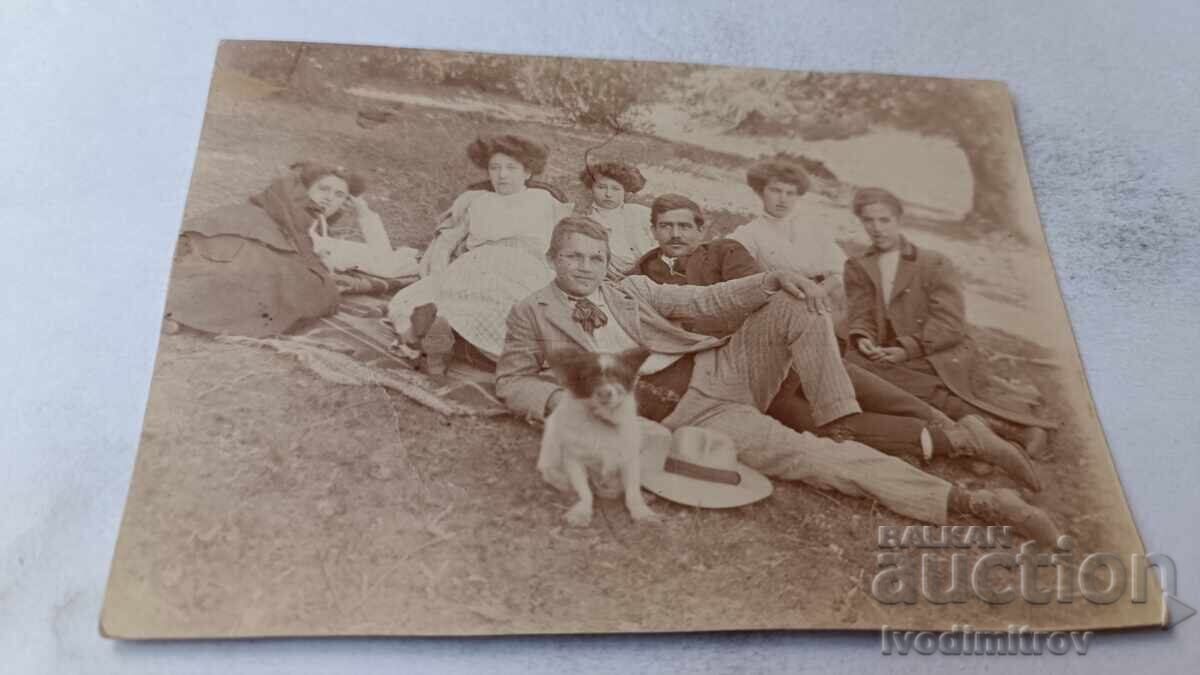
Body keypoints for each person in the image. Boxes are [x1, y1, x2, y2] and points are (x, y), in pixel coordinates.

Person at [496, 216, 1061, 544]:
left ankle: (842, 418)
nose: (586, 268)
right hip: (690, 418)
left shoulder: (630, 289)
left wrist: (773, 279)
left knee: (800, 302)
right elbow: (513, 379)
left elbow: (706, 298)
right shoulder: (531, 311)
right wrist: (557, 402)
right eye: (575, 258)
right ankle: (980, 502)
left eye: (596, 258)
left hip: (724, 368)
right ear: (553, 258)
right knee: (813, 459)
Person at [632, 194, 1037, 484]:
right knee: (829, 426)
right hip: (738, 378)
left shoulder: (725, 252)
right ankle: (963, 441)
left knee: (859, 388)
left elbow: (753, 294)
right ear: (652, 230)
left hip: (772, 345)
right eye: (665, 226)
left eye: (685, 225)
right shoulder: (645, 273)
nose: (675, 234)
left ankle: (975, 431)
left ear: (703, 228)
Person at [843, 187, 1055, 458]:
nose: (877, 228)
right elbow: (861, 314)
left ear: (899, 220)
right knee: (855, 370)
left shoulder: (934, 263)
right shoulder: (858, 266)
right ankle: (983, 432)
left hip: (937, 350)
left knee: (883, 383)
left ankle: (1015, 429)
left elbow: (950, 324)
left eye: (884, 220)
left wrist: (907, 348)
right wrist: (864, 339)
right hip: (889, 353)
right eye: (868, 220)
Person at [165, 162, 412, 337]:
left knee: (260, 277)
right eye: (323, 189)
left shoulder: (321, 239)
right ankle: (176, 308)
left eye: (339, 195)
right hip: (242, 235)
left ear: (345, 203)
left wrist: (365, 214)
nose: (329, 198)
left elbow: (383, 260)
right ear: (304, 191)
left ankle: (177, 312)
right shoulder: (278, 213)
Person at [387, 134, 573, 366]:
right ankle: (434, 330)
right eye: (495, 168)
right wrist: (439, 272)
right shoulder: (478, 201)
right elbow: (447, 240)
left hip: (524, 268)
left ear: (528, 172)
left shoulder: (545, 201)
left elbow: (568, 242)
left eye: (511, 168)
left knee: (510, 311)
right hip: (476, 265)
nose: (502, 175)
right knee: (419, 299)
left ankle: (441, 337)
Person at [727, 158, 848, 330]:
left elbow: (841, 268)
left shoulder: (814, 228)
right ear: (761, 192)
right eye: (775, 191)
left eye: (790, 193)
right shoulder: (749, 233)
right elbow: (739, 275)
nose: (783, 199)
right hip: (782, 306)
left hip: (826, 301)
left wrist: (819, 290)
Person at [579, 160, 656, 279]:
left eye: (616, 189)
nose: (608, 194)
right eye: (601, 187)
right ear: (591, 188)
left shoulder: (641, 213)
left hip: (653, 272)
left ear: (625, 191)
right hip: (614, 279)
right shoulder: (587, 219)